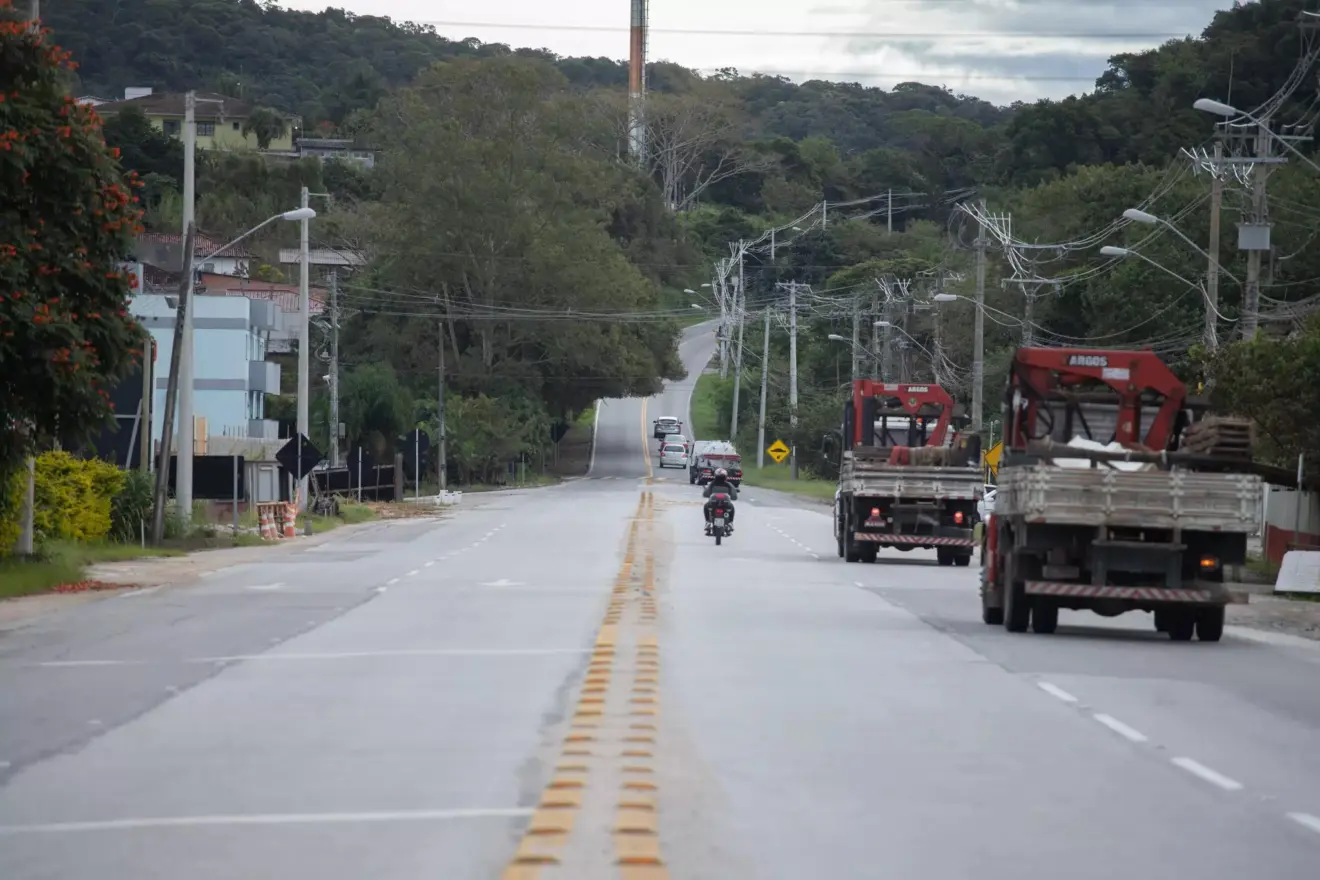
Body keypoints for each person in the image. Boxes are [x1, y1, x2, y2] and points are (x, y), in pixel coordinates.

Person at [702, 467, 738, 533]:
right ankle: (730, 522)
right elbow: (734, 496)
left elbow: (705, 494)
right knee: (732, 508)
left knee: (706, 506)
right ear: (726, 477)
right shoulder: (729, 485)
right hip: (725, 503)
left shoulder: (712, 484)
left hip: (714, 503)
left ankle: (708, 522)